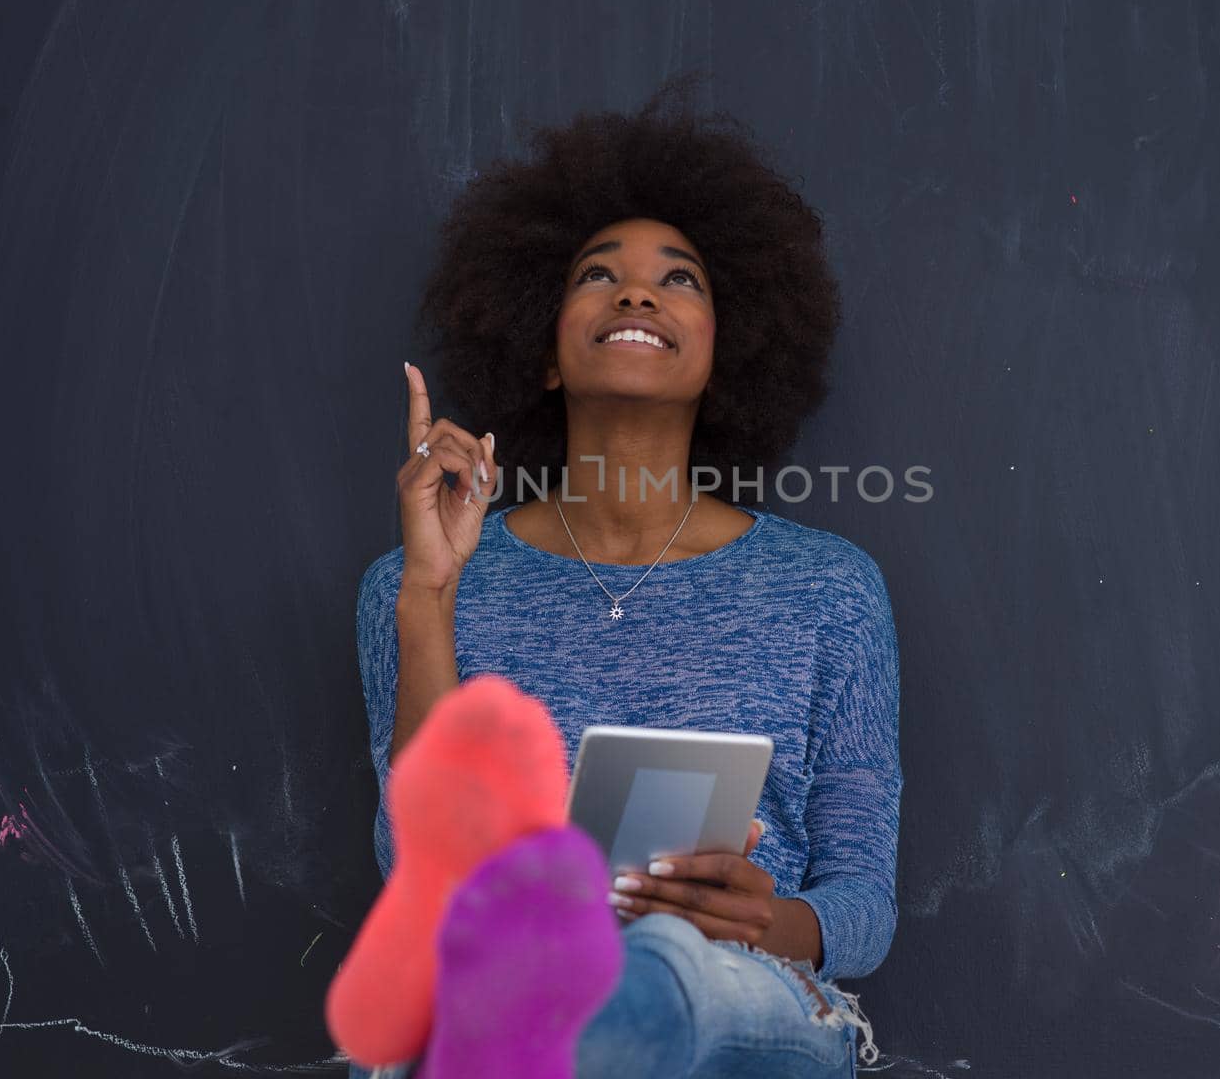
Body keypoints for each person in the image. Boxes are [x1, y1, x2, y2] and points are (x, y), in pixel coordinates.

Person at [349, 82, 902, 1078]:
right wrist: (430, 595)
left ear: (725, 347)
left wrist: (767, 921)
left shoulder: (828, 589)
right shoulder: (419, 583)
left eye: (679, 280)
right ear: (544, 351)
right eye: (595, 276)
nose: (636, 294)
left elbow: (862, 904)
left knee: (666, 978)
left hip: (746, 1002)